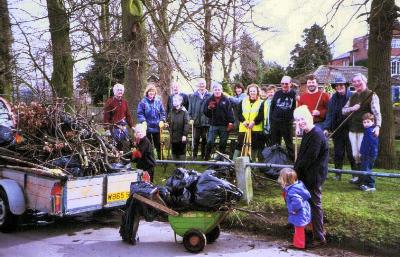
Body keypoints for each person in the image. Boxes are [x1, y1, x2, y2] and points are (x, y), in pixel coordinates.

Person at [293, 105, 329, 248]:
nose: (301, 122)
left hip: (314, 176)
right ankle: (309, 230)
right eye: (298, 120)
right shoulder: (308, 133)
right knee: (308, 203)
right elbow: (302, 155)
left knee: (315, 205)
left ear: (309, 117)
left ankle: (320, 237)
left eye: (302, 118)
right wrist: (296, 168)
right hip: (306, 174)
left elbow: (309, 158)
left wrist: (295, 171)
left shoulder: (317, 135)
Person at [342, 73, 381, 184]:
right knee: (355, 155)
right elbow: (343, 111)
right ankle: (360, 177)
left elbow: (377, 113)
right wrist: (351, 108)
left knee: (364, 155)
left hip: (366, 131)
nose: (357, 83)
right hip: (353, 130)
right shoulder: (352, 96)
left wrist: (377, 126)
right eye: (354, 82)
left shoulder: (371, 95)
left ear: (365, 81)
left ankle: (365, 180)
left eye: (359, 81)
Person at [323, 76, 356, 180]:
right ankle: (338, 174)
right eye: (337, 86)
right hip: (337, 130)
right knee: (338, 153)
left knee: (352, 153)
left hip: (351, 129)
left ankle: (355, 175)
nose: (339, 87)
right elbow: (329, 114)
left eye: (341, 85)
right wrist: (327, 128)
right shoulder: (333, 99)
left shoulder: (353, 96)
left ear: (346, 86)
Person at [278, 168, 312, 250]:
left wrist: (293, 210)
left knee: (298, 229)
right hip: (306, 210)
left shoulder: (291, 191)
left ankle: (299, 245)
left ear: (285, 181)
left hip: (299, 213)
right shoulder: (298, 186)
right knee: (308, 224)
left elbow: (297, 202)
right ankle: (311, 237)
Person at [232, 84, 264, 161]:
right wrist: (243, 121)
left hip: (256, 128)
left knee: (254, 146)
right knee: (240, 145)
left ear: (257, 92)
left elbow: (261, 114)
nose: (252, 92)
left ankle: (252, 163)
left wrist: (254, 122)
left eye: (254, 91)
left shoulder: (261, 102)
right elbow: (238, 113)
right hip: (244, 128)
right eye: (251, 91)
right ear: (248, 92)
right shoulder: (243, 101)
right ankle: (234, 162)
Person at [203, 82, 234, 160]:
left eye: (219, 89)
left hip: (224, 125)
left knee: (223, 142)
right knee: (210, 141)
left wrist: (231, 122)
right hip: (213, 125)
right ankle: (206, 157)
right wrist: (209, 108)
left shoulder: (226, 100)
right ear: (213, 90)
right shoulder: (209, 99)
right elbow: (205, 112)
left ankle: (221, 159)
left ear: (221, 90)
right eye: (215, 89)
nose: (217, 91)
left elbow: (230, 112)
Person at [270, 76, 297, 161]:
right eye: (282, 83)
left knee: (289, 144)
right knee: (275, 144)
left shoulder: (294, 94)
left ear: (290, 84)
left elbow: (296, 108)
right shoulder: (277, 93)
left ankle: (292, 162)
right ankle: (275, 163)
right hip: (275, 123)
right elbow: (272, 107)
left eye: (286, 83)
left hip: (287, 124)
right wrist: (272, 120)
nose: (284, 85)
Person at [137, 83, 167, 159]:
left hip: (157, 127)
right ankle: (150, 159)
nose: (151, 93)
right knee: (148, 144)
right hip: (147, 127)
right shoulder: (143, 102)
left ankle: (161, 160)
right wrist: (143, 121)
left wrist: (162, 120)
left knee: (159, 144)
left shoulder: (158, 101)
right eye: (150, 91)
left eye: (153, 91)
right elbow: (140, 113)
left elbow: (163, 113)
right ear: (147, 92)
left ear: (155, 92)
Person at [103, 83, 134, 151]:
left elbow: (128, 115)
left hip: (123, 128)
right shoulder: (110, 102)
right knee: (115, 147)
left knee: (125, 145)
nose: (120, 91)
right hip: (114, 128)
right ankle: (116, 160)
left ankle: (125, 160)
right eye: (118, 90)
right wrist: (107, 129)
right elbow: (106, 117)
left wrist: (132, 126)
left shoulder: (124, 102)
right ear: (114, 91)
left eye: (121, 90)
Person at [188, 78, 212, 160]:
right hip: (196, 121)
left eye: (203, 84)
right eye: (200, 84)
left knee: (205, 139)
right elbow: (190, 109)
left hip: (206, 121)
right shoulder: (193, 96)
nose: (202, 85)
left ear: (205, 85)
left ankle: (203, 155)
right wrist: (190, 118)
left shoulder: (210, 95)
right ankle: (194, 155)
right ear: (198, 85)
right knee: (196, 139)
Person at [358, 113, 379, 192]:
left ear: (372, 122)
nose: (366, 124)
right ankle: (366, 184)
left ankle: (371, 185)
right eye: (364, 122)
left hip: (369, 155)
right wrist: (362, 152)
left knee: (367, 169)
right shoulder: (367, 130)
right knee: (365, 169)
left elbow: (371, 144)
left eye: (368, 122)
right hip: (365, 154)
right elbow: (365, 143)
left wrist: (367, 154)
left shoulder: (371, 131)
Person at [168, 94, 190, 164]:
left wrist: (184, 135)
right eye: (173, 101)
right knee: (174, 150)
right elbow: (168, 120)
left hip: (181, 136)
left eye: (176, 100)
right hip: (173, 136)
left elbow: (186, 124)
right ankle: (176, 165)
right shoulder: (171, 111)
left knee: (181, 151)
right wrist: (167, 123)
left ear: (180, 101)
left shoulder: (184, 112)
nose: (174, 102)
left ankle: (182, 166)